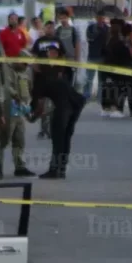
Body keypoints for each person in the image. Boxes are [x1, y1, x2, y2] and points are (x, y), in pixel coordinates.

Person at [28, 47, 87, 178]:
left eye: (35, 63)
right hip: (76, 102)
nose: (33, 66)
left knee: (58, 137)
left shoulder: (40, 78)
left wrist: (30, 116)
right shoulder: (53, 72)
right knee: (65, 137)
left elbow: (38, 105)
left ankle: (55, 170)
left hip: (65, 105)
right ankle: (61, 168)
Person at [31, 21, 66, 138]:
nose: (50, 29)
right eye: (48, 27)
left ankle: (53, 129)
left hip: (55, 76)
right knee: (42, 105)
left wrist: (61, 72)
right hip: (42, 76)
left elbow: (62, 57)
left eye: (52, 27)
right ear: (44, 28)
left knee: (53, 106)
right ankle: (43, 129)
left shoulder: (58, 41)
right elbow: (34, 56)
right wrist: (35, 67)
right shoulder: (39, 41)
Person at [2, 57, 36, 177]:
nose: (26, 66)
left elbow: (30, 88)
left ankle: (19, 166)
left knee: (19, 140)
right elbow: (5, 87)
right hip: (9, 110)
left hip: (20, 111)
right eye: (24, 63)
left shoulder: (25, 73)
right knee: (4, 140)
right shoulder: (6, 69)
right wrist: (15, 95)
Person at [102, 18, 132, 118]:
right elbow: (129, 56)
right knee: (118, 89)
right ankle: (115, 108)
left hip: (110, 68)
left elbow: (104, 52)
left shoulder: (110, 40)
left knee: (109, 88)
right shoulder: (121, 42)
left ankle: (108, 107)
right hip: (118, 69)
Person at [84, 9, 109, 100]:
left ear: (104, 18)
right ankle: (86, 96)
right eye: (98, 17)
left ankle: (99, 97)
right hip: (92, 56)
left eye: (102, 18)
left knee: (101, 80)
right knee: (88, 78)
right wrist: (97, 30)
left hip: (102, 57)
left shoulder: (107, 28)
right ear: (96, 18)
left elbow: (108, 42)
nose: (100, 19)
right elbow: (89, 38)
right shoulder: (91, 27)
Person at [54, 8, 80, 85]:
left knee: (69, 79)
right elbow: (55, 44)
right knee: (60, 80)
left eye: (64, 18)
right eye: (61, 18)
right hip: (60, 59)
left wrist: (77, 60)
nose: (62, 20)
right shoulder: (58, 30)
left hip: (70, 59)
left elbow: (77, 45)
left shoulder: (73, 30)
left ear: (68, 18)